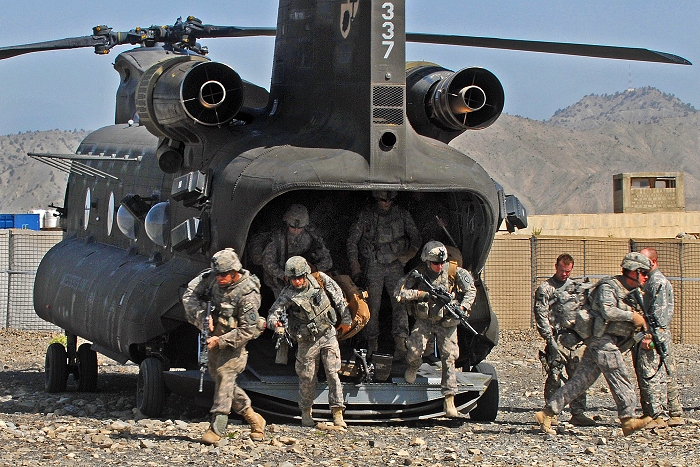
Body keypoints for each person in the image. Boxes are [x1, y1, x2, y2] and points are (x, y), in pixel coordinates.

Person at [534, 252, 654, 436]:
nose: (646, 276)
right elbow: (607, 311)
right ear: (632, 271)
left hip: (603, 341)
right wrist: (633, 316)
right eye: (643, 272)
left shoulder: (628, 291)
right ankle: (628, 418)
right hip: (600, 340)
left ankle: (547, 412)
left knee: (581, 381)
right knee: (618, 374)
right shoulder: (609, 286)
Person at [182, 248, 267, 444]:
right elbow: (189, 296)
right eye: (217, 274)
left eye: (223, 275)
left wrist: (220, 341)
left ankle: (217, 426)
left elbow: (247, 329)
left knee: (225, 376)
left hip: (234, 343)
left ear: (234, 272)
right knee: (222, 381)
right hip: (213, 337)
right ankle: (254, 419)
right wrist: (201, 315)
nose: (219, 278)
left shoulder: (248, 293)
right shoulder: (211, 277)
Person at [267, 256, 352, 428]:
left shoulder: (320, 279)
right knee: (307, 377)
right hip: (306, 340)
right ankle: (306, 412)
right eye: (293, 278)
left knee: (333, 373)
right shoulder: (288, 294)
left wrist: (346, 320)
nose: (297, 282)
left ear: (306, 274)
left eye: (300, 277)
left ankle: (337, 413)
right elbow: (273, 313)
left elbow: (338, 298)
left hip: (327, 333)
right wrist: (276, 325)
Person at [395, 241, 476, 418]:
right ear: (426, 261)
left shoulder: (455, 272)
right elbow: (399, 292)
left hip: (447, 322)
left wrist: (462, 308)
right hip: (425, 320)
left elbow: (471, 290)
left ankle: (449, 398)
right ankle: (414, 366)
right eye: (435, 263)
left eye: (441, 263)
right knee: (414, 351)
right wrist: (422, 294)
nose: (439, 266)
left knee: (449, 357)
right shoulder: (419, 273)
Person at [347, 190, 421, 359]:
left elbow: (416, 237)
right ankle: (372, 342)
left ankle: (400, 342)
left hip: (395, 264)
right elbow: (352, 241)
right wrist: (355, 266)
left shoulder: (401, 214)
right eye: (382, 200)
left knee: (400, 302)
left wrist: (409, 254)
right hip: (374, 264)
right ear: (376, 199)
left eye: (390, 200)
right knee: (372, 305)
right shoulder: (367, 215)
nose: (386, 203)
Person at [533, 254, 596, 427]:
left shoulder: (576, 287)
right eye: (562, 270)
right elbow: (541, 315)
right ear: (556, 267)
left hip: (575, 340)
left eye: (568, 271)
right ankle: (550, 413)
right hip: (557, 338)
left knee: (578, 377)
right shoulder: (546, 288)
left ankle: (578, 412)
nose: (564, 274)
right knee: (555, 375)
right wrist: (549, 339)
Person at [634, 247, 685, 428]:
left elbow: (658, 314)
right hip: (657, 333)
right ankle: (674, 413)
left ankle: (657, 416)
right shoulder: (648, 281)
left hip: (655, 333)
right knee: (666, 371)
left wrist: (649, 336)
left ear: (653, 262)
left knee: (650, 373)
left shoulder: (657, 282)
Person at [262, 203, 333, 298]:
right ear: (287, 223)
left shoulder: (311, 237)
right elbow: (267, 262)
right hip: (280, 281)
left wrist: (314, 269)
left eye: (300, 228)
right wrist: (283, 275)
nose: (296, 230)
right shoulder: (277, 238)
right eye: (292, 227)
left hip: (306, 281)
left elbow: (328, 261)